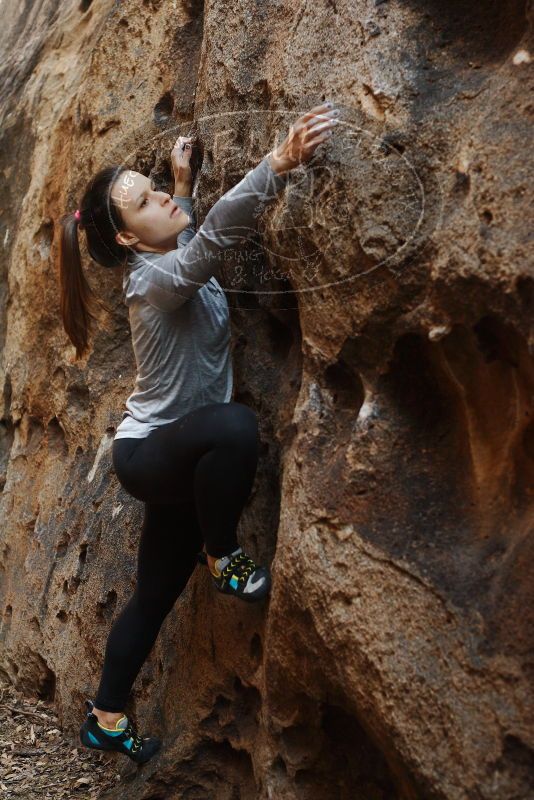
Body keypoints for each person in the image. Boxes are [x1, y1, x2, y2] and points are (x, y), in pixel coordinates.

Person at [57, 101, 340, 764]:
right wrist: (277, 164)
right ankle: (221, 553)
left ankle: (107, 715)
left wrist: (180, 188)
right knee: (238, 428)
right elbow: (206, 247)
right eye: (145, 202)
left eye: (154, 187)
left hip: (183, 455)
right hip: (151, 452)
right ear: (127, 240)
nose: (159, 197)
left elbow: (186, 238)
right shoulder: (150, 280)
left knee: (154, 594)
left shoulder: (165, 252)